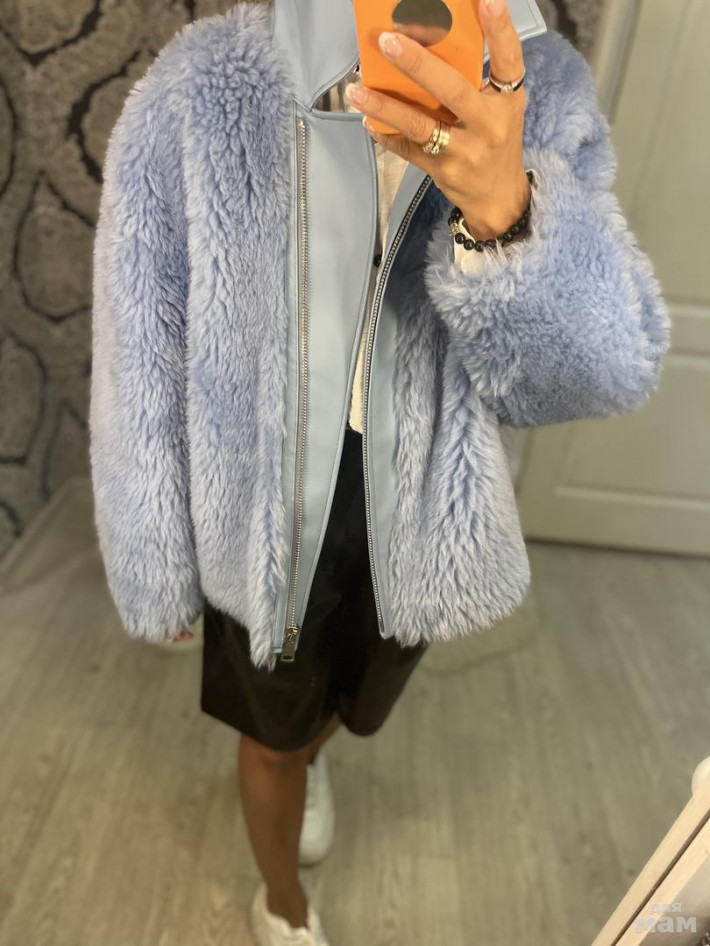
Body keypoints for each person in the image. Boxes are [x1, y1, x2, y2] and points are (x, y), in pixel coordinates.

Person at [89, 0, 670, 943]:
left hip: (424, 508)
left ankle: (312, 755)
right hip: (259, 511)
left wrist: (509, 216)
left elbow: (596, 378)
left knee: (357, 704)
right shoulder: (200, 90)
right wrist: (152, 557)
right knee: (270, 736)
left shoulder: (543, 88)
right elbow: (139, 345)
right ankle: (283, 904)